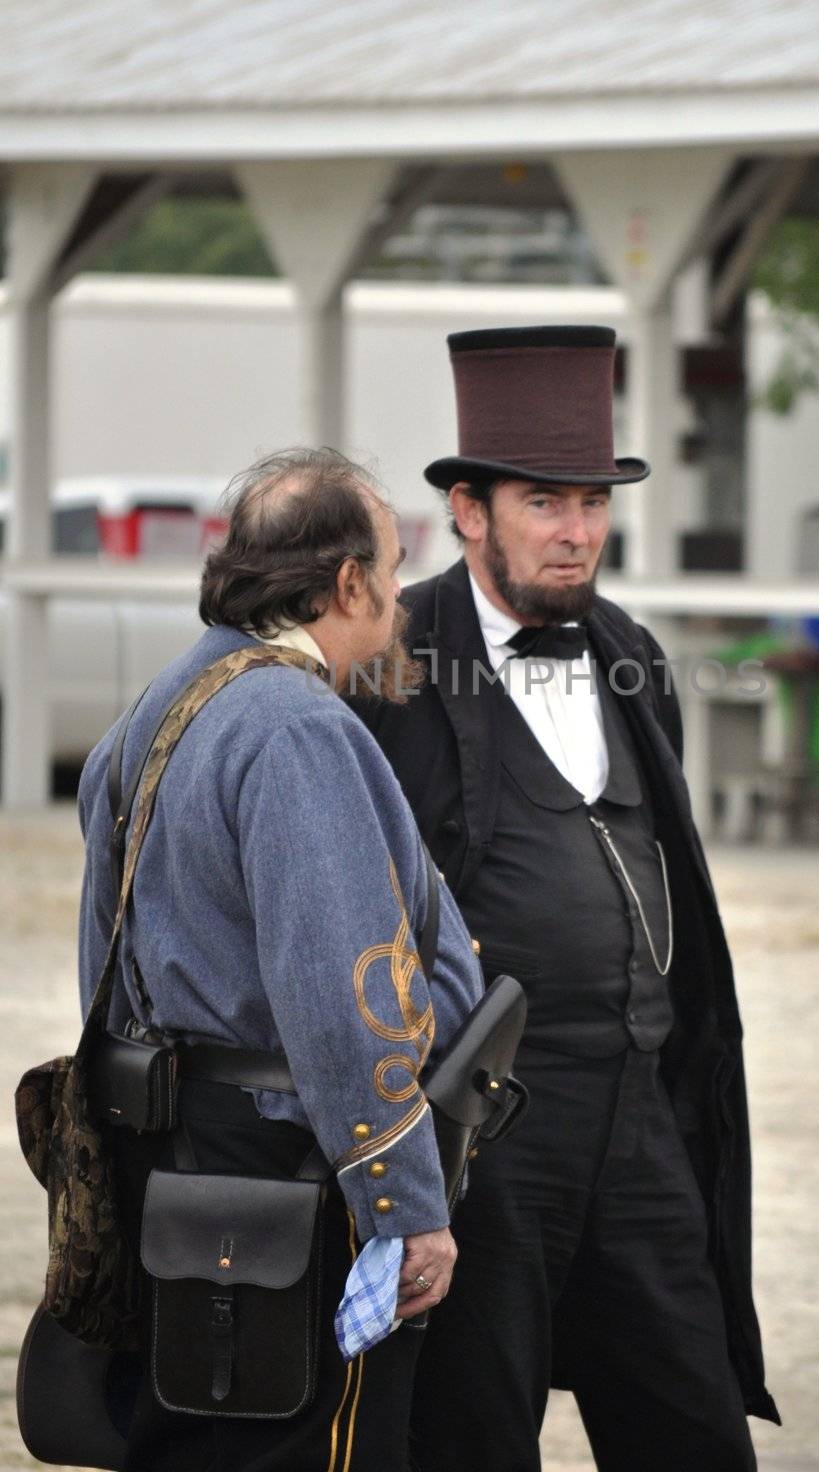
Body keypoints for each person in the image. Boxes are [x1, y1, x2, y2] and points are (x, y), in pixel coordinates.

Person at [355, 326, 779, 1472]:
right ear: (467, 510)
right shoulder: (390, 661)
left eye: (591, 501)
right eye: (545, 500)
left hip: (639, 1113)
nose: (577, 529)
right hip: (486, 1129)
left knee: (692, 1425)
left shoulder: (630, 653)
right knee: (475, 1436)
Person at [77, 447, 483, 1471]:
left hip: (176, 1159)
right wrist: (404, 1205)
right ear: (348, 582)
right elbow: (346, 993)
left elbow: (104, 970)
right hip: (289, 1174)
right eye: (393, 568)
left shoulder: (158, 708)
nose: (399, 596)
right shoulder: (295, 726)